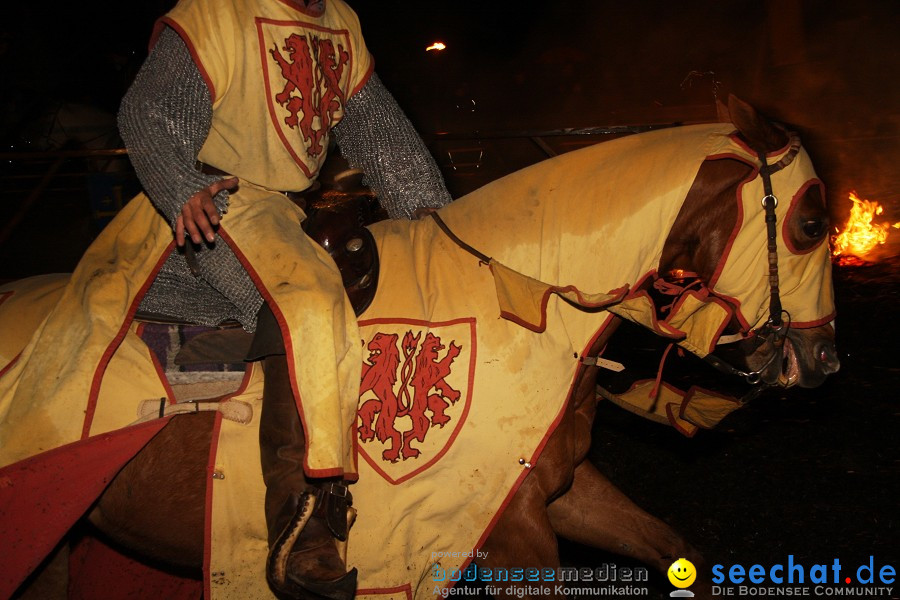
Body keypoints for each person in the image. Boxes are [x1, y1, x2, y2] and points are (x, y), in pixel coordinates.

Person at [117, 0, 452, 597]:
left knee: (406, 280)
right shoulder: (218, 12)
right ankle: (300, 526)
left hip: (293, 211)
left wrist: (437, 219)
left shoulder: (341, 20)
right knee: (303, 307)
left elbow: (383, 136)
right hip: (215, 202)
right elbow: (150, 110)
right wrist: (182, 187)